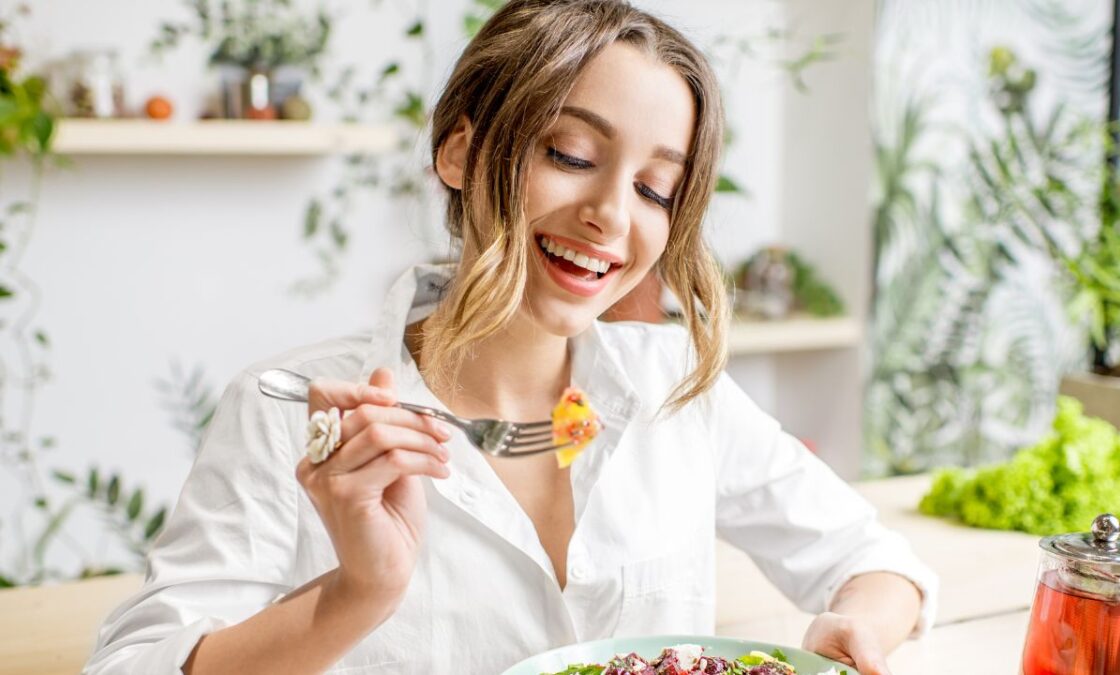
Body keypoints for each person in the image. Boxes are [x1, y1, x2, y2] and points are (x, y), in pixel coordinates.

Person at [83, 1, 937, 673]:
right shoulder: (290, 411)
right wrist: (359, 590)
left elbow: (875, 560)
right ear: (460, 152)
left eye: (655, 188)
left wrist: (851, 629)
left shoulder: (676, 385)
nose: (610, 215)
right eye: (569, 153)